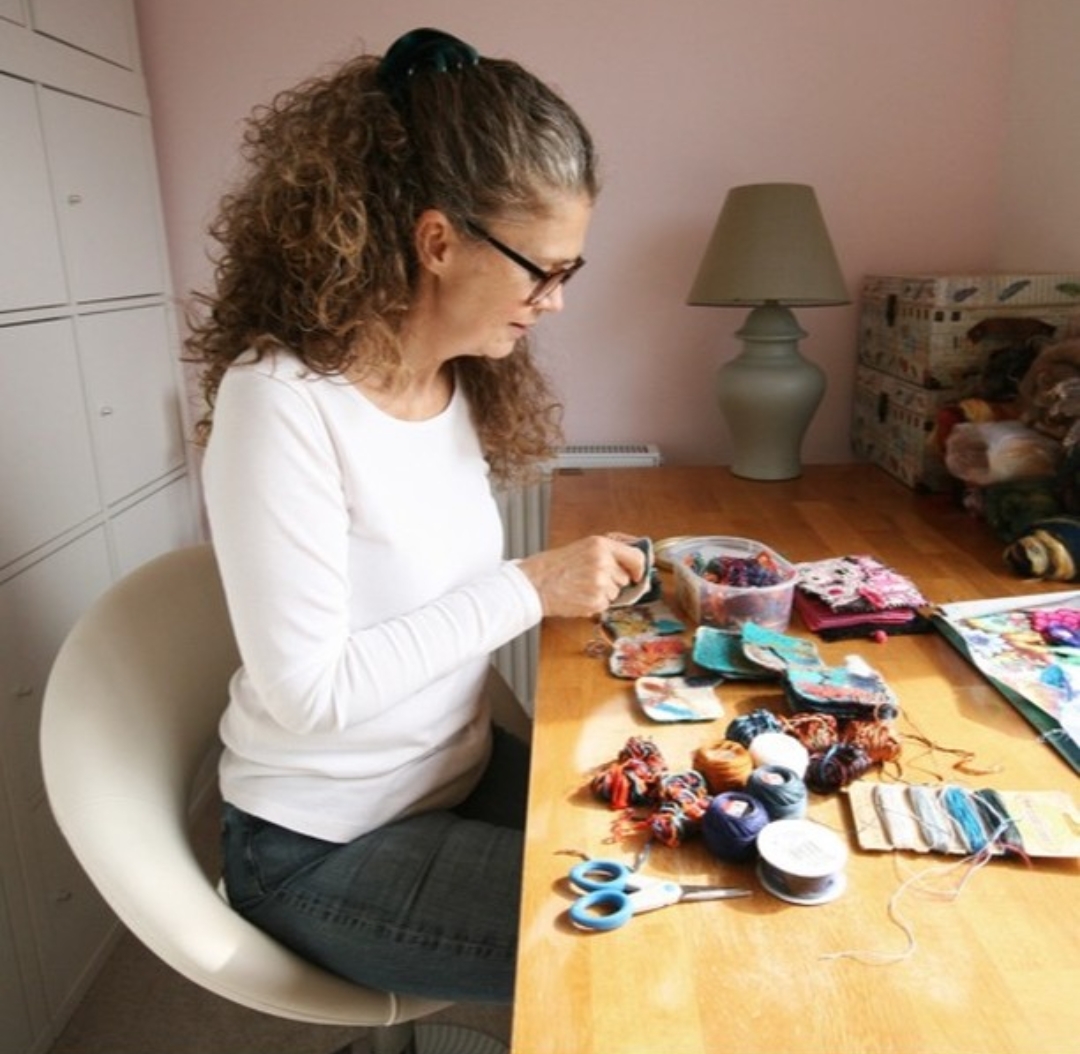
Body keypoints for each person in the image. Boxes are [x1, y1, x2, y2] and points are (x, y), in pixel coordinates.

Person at [186, 27, 645, 1004]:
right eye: (543, 270)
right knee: (635, 949)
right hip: (319, 846)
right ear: (437, 241)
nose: (554, 302)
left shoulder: (453, 379)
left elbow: (432, 607)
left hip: (450, 776)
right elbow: (310, 693)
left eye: (569, 272)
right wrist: (531, 586)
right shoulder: (280, 403)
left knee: (668, 832)